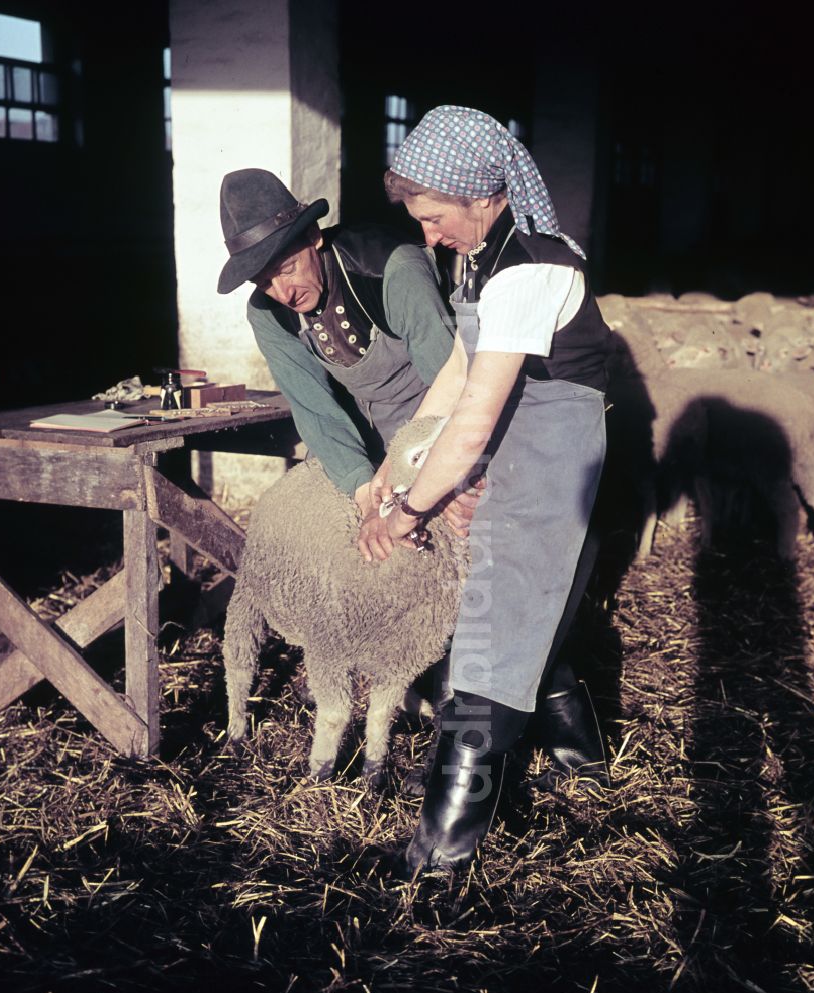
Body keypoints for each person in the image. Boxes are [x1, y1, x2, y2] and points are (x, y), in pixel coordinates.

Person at [357, 106, 615, 876]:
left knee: (486, 643)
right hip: (518, 448)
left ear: (482, 195)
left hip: (553, 465)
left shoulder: (533, 264)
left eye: (434, 218)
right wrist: (399, 464)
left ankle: (439, 858)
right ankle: (580, 763)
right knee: (527, 617)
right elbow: (456, 378)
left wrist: (409, 513)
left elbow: (474, 419)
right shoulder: (483, 256)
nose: (428, 235)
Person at [217, 168, 479, 542]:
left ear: (313, 236)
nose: (284, 293)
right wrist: (363, 492)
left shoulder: (392, 269)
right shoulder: (267, 312)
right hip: (360, 430)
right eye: (264, 282)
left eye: (287, 269)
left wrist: (440, 474)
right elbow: (315, 411)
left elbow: (451, 380)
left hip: (432, 419)